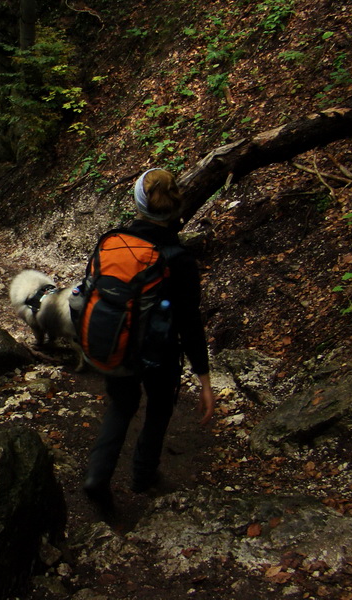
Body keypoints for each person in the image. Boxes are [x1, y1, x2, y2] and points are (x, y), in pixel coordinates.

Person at [82, 167, 215, 512]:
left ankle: (98, 476)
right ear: (175, 208)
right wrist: (204, 379)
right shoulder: (180, 259)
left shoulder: (113, 241)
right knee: (158, 408)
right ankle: (143, 475)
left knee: (122, 406)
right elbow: (189, 320)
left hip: (117, 343)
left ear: (139, 203)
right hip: (161, 354)